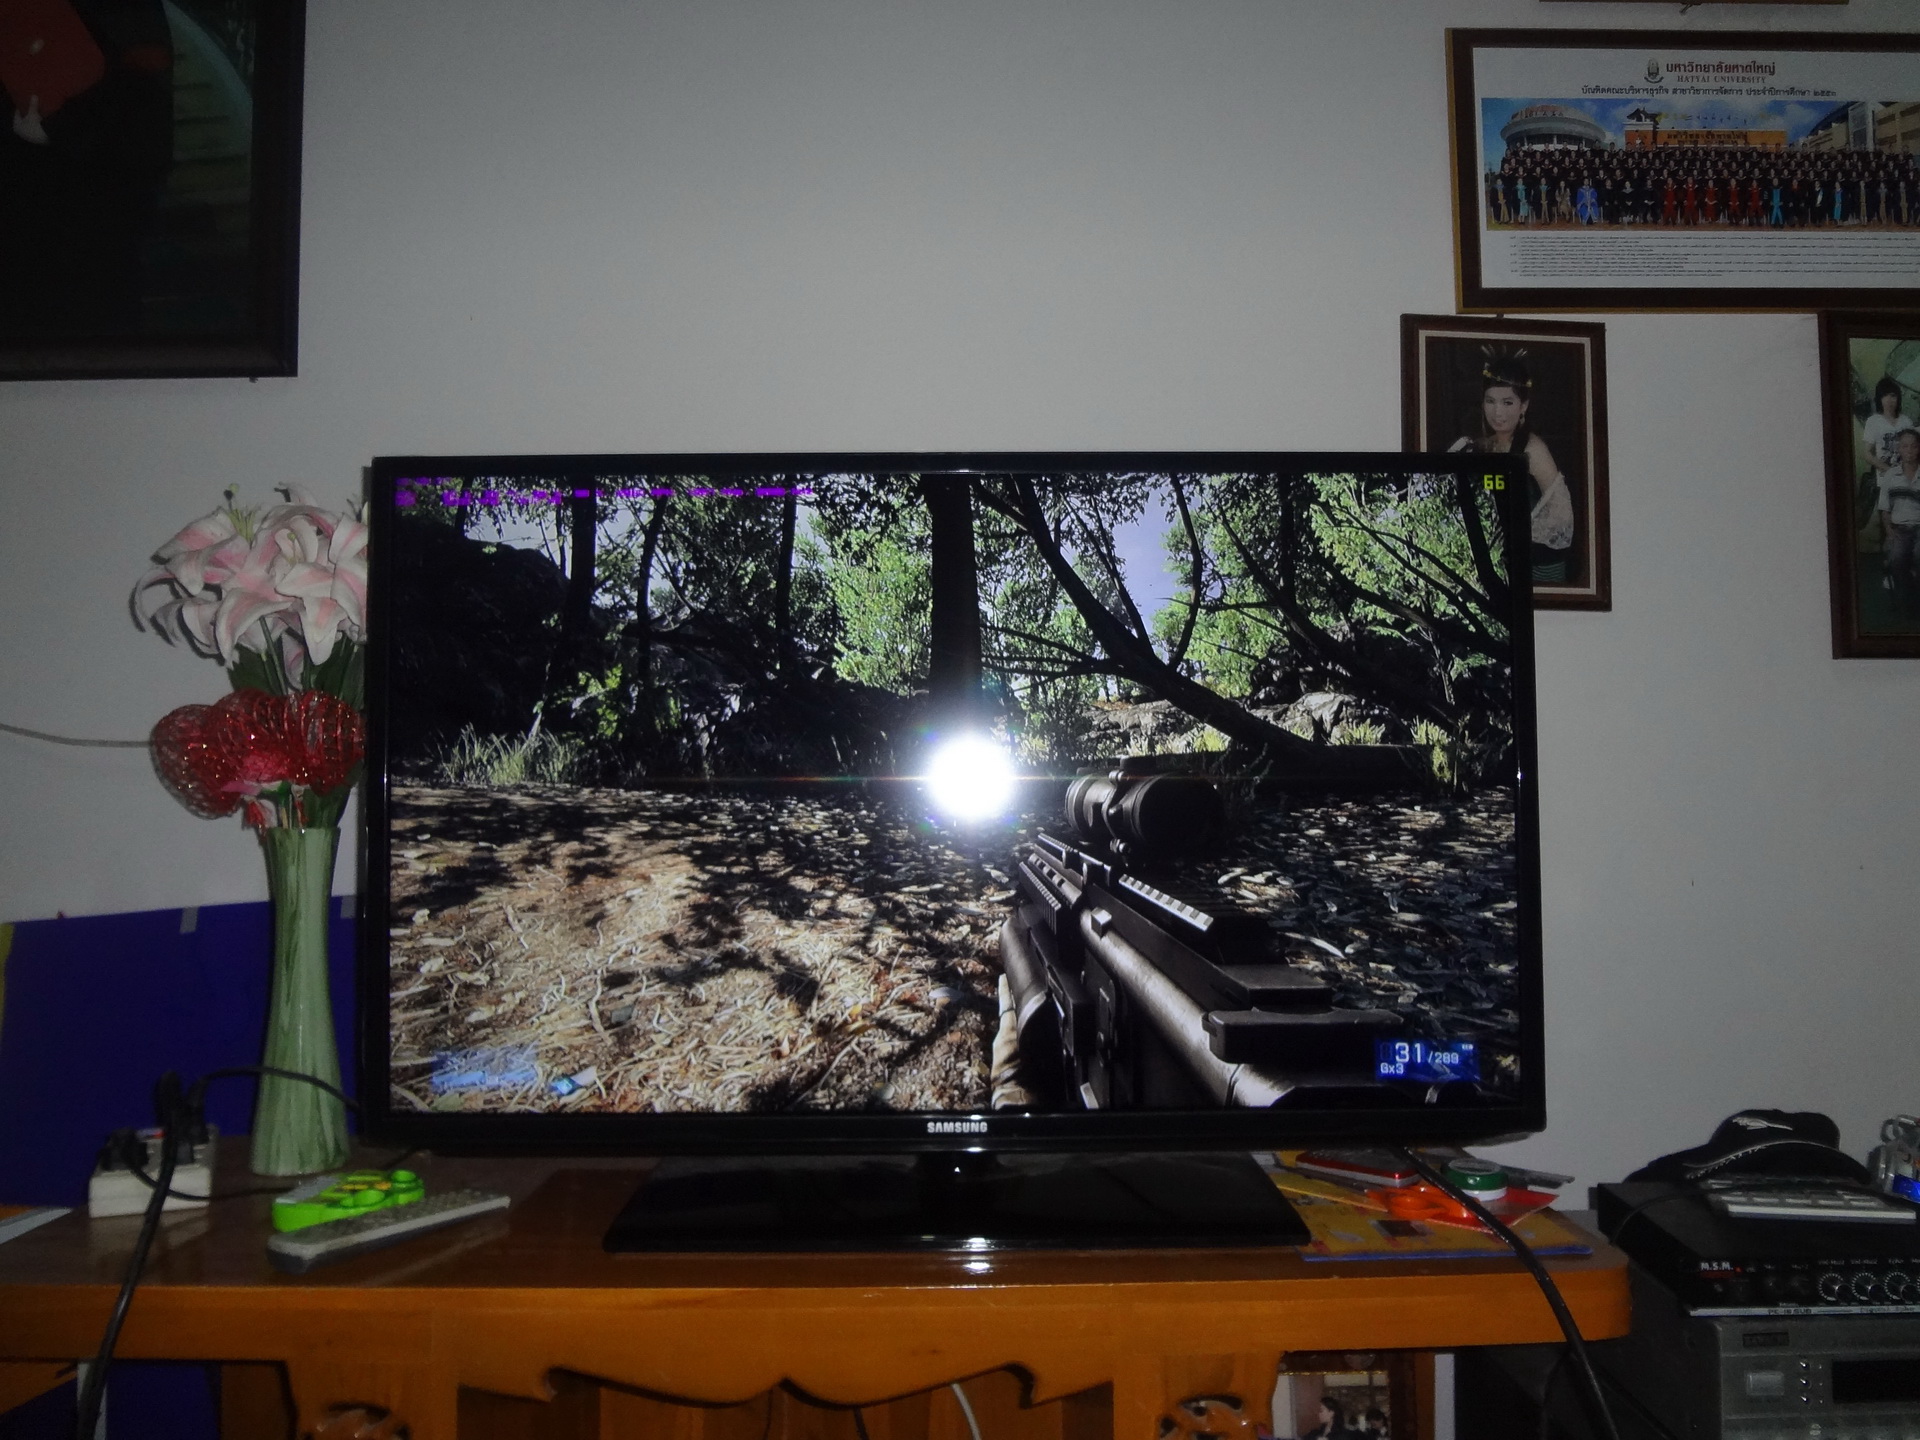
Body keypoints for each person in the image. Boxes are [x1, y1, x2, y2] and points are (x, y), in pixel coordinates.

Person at [1448, 349, 1575, 584]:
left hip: (1538, 567)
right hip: (1494, 564)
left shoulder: (1533, 450)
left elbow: (1561, 520)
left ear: (1523, 406)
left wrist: (1514, 532)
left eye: (1508, 402)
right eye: (1491, 401)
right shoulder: (1481, 446)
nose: (1498, 412)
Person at [1878, 428, 1920, 598]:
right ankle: (1909, 594)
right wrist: (1889, 531)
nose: (1909, 450)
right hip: (1899, 529)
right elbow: (1885, 509)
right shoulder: (1891, 475)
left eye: (1914, 446)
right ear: (1899, 449)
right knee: (1897, 558)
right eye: (1905, 446)